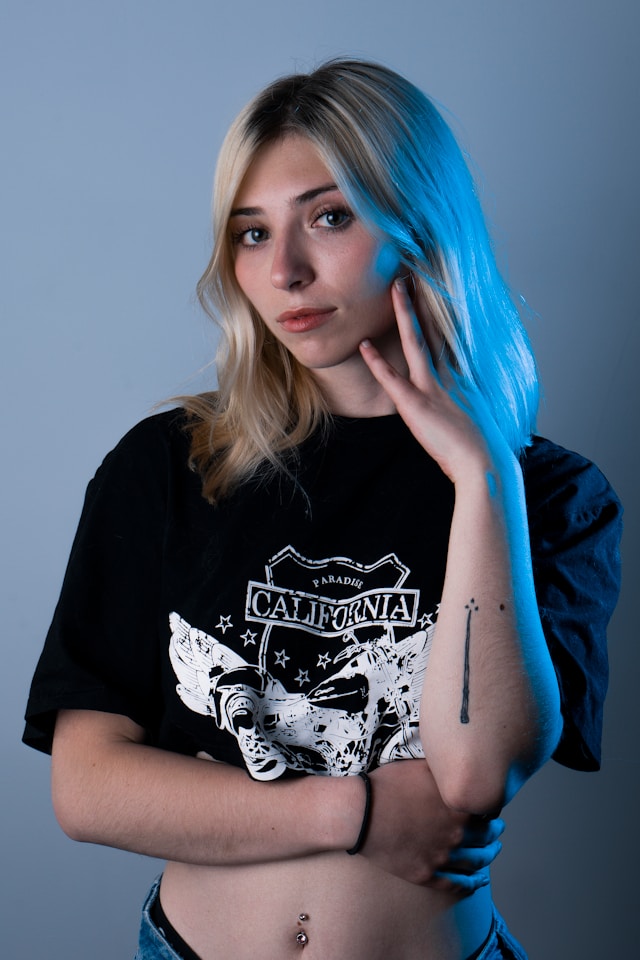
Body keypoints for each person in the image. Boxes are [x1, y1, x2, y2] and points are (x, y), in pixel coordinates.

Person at [23, 58, 622, 960]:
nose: (287, 272)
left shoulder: (552, 497)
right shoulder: (171, 466)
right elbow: (87, 787)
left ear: (419, 227)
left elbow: (473, 773)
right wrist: (353, 810)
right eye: (252, 234)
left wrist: (482, 480)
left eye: (329, 217)